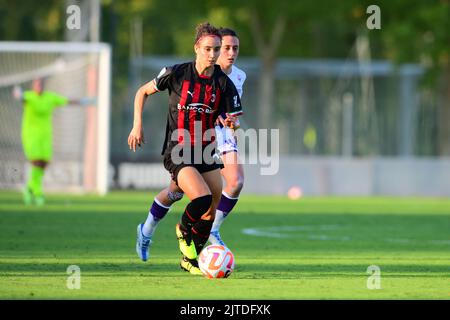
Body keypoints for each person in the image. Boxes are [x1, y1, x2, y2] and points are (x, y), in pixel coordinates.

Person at [128, 22, 243, 275]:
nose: (212, 55)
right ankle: (182, 230)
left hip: (205, 150)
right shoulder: (176, 73)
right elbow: (142, 92)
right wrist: (137, 125)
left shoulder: (224, 84)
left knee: (209, 211)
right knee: (200, 198)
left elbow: (230, 120)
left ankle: (188, 261)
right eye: (208, 49)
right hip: (178, 150)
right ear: (196, 48)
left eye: (216, 50)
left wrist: (230, 124)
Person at [13, 78, 90, 205]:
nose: (39, 86)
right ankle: (38, 193)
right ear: (33, 86)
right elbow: (22, 97)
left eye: (41, 84)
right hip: (31, 135)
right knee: (36, 161)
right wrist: (18, 93)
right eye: (37, 84)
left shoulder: (49, 97)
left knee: (43, 163)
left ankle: (29, 188)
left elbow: (67, 101)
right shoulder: (29, 97)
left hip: (45, 135)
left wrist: (83, 101)